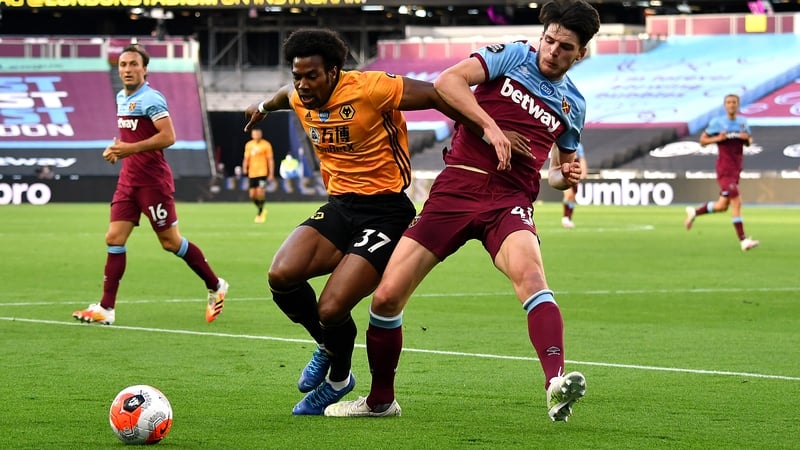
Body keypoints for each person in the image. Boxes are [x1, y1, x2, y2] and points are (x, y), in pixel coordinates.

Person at [324, 0, 600, 421]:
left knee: (531, 276)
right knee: (386, 298)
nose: (552, 51)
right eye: (549, 39)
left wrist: (569, 174)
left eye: (565, 47)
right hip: (456, 189)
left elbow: (558, 174)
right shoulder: (513, 56)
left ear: (580, 54)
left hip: (509, 200)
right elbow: (447, 82)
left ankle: (555, 384)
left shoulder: (573, 105)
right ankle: (381, 400)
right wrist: (491, 128)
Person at [242, 28, 525, 416]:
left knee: (331, 308)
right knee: (281, 276)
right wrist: (261, 106)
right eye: (297, 76)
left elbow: (438, 95)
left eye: (312, 76)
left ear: (335, 72)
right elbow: (281, 98)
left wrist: (489, 130)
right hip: (341, 206)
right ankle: (330, 352)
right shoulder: (297, 95)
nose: (303, 86)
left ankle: (337, 380)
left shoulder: (372, 88)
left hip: (387, 211)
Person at [72, 44, 228, 326]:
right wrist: (116, 149)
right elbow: (131, 137)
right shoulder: (121, 96)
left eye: (133, 64)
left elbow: (168, 137)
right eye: (123, 65)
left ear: (145, 69)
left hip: (152, 183)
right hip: (128, 182)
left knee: (170, 243)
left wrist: (130, 150)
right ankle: (106, 308)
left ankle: (216, 285)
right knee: (114, 238)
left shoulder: (152, 98)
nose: (127, 70)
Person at [685, 93, 759, 251]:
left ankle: (694, 212)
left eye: (734, 102)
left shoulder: (743, 123)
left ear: (738, 105)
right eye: (728, 102)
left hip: (736, 168)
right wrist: (717, 139)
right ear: (725, 105)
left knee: (721, 206)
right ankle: (743, 240)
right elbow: (703, 141)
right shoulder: (717, 123)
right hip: (725, 169)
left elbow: (749, 141)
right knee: (737, 202)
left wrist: (746, 139)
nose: (731, 105)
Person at [242, 127, 275, 223]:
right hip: (252, 173)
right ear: (252, 135)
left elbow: (270, 160)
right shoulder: (249, 145)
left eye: (258, 134)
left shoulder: (266, 145)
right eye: (254, 134)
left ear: (261, 134)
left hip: (262, 173)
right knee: (252, 195)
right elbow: (246, 158)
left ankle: (260, 212)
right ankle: (261, 208)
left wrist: (271, 173)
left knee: (260, 192)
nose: (256, 135)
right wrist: (244, 167)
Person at [561, 141, 587, 228]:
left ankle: (568, 218)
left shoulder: (579, 146)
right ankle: (565, 218)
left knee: (572, 196)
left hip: (574, 173)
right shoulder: (563, 144)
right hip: (565, 173)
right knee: (569, 195)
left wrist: (583, 172)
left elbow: (582, 159)